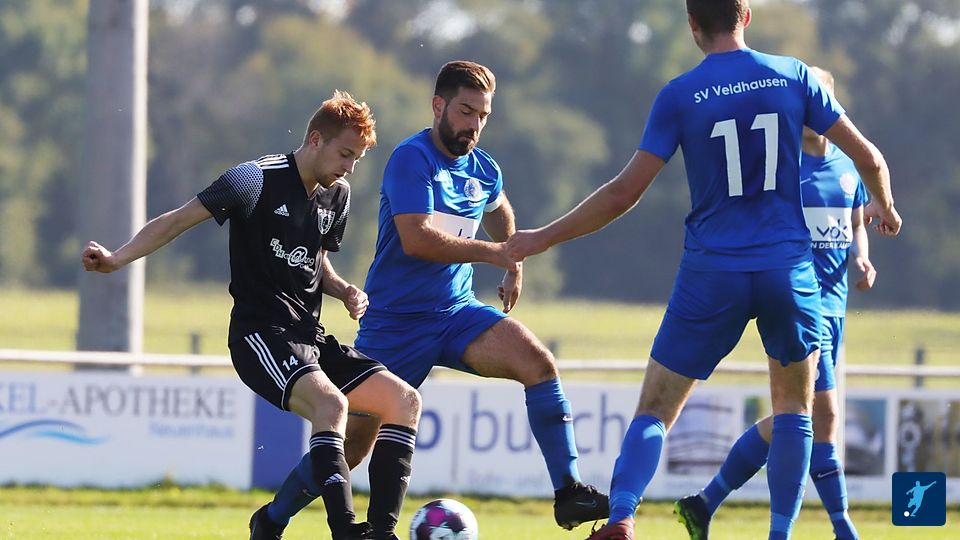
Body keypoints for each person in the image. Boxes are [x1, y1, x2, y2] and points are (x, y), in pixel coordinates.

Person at [505, 1, 902, 539]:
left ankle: (622, 517)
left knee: (656, 408)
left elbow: (622, 193)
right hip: (787, 269)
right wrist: (885, 207)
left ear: (692, 25)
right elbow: (870, 158)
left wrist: (541, 237)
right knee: (794, 408)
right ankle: (779, 535)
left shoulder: (680, 94)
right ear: (746, 15)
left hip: (712, 272)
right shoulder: (793, 75)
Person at [81, 90, 421, 540]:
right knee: (332, 406)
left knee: (404, 401)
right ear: (315, 139)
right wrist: (116, 258)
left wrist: (343, 290)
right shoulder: (253, 180)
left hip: (310, 335)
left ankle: (378, 532)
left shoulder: (337, 195)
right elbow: (176, 220)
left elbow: (313, 260)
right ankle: (345, 531)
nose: (350, 167)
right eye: (345, 154)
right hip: (259, 335)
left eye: (356, 159)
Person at [343, 60, 609, 531]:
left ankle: (569, 493)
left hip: (456, 315)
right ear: (438, 105)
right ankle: (275, 517)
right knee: (352, 445)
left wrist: (513, 263)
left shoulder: (483, 168)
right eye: (466, 111)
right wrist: (496, 254)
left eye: (483, 115)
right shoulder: (411, 159)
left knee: (538, 364)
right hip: (396, 324)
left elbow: (499, 209)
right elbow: (417, 240)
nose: (474, 124)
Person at [673, 66, 875, 540]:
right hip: (800, 306)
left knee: (793, 418)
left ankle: (705, 502)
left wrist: (862, 258)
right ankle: (841, 529)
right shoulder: (782, 168)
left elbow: (856, 222)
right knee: (821, 418)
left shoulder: (848, 168)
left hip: (836, 307)